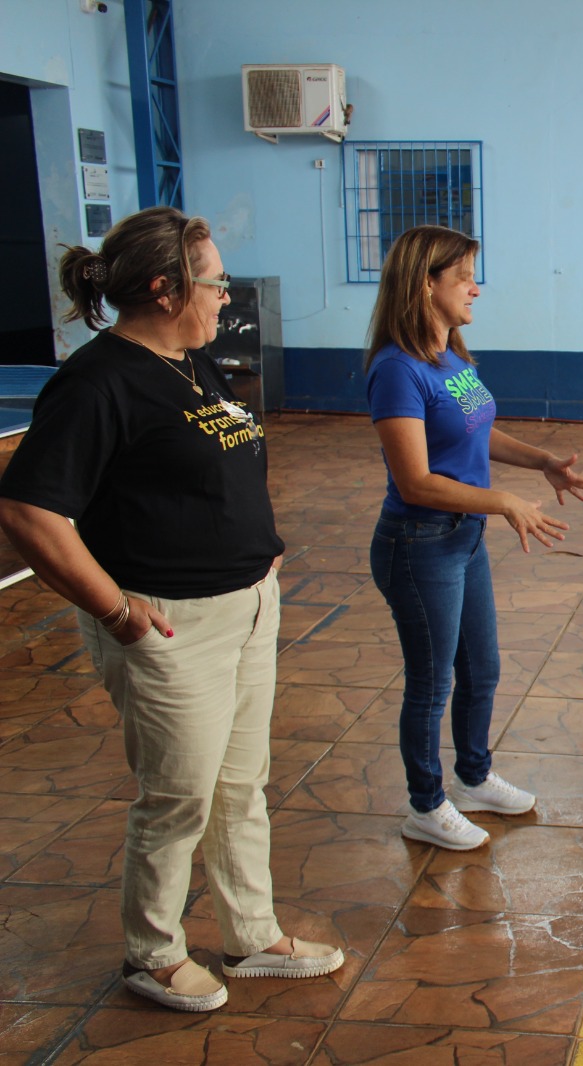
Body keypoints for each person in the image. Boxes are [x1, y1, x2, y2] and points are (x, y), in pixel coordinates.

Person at [0, 206, 344, 1012]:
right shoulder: (97, 382)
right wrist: (117, 613)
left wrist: (259, 549)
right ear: (165, 289)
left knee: (240, 785)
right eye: (215, 282)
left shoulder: (192, 361)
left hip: (247, 608)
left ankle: (251, 935)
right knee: (178, 796)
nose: (226, 295)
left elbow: (211, 465)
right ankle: (151, 954)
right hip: (168, 623)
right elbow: (28, 511)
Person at [366, 224, 583, 852]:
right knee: (432, 683)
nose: (476, 288)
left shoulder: (450, 358)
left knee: (482, 669)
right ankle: (425, 805)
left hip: (461, 540)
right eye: (464, 277)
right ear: (425, 285)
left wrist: (542, 461)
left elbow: (475, 430)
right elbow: (415, 481)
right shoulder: (396, 370)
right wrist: (502, 501)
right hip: (419, 545)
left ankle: (472, 777)